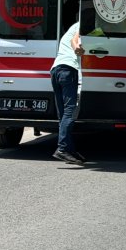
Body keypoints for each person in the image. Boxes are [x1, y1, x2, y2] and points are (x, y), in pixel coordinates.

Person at [50, 21, 86, 165]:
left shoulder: (72, 26)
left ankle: (69, 150)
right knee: (70, 111)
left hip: (56, 70)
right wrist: (77, 48)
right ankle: (63, 149)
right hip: (68, 70)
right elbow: (75, 40)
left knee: (63, 114)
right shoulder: (83, 24)